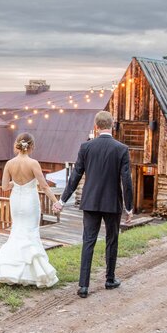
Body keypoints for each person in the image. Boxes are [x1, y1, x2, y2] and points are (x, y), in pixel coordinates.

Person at [53, 111, 133, 298]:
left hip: (90, 202)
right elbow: (126, 181)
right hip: (112, 202)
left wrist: (62, 200)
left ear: (96, 127)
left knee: (88, 241)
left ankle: (83, 286)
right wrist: (128, 207)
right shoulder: (121, 149)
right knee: (112, 240)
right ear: (111, 125)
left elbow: (75, 176)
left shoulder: (86, 147)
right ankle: (110, 279)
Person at [0, 133, 59, 288]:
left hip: (16, 201)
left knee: (17, 231)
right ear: (31, 146)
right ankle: (34, 273)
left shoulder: (9, 163)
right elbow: (45, 186)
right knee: (30, 232)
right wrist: (56, 202)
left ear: (17, 145)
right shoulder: (33, 163)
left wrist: (16, 184)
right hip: (30, 201)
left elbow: (4, 187)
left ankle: (10, 271)